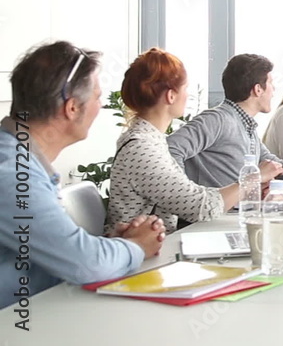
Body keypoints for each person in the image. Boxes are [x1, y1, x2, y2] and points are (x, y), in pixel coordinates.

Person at [0, 42, 165, 309]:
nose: (101, 104)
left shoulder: (17, 159)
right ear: (72, 108)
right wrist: (137, 246)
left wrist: (111, 245)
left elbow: (51, 253)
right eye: (97, 97)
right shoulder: (14, 173)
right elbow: (88, 264)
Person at [108, 49, 283, 234]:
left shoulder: (152, 141)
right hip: (142, 249)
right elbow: (201, 207)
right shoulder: (142, 148)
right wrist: (254, 179)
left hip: (158, 243)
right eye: (185, 88)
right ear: (171, 96)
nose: (187, 95)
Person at [168, 54, 283, 188]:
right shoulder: (217, 119)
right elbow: (170, 148)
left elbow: (274, 165)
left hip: (241, 201)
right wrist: (187, 192)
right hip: (218, 202)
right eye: (270, 82)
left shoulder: (246, 125)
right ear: (258, 89)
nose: (274, 89)